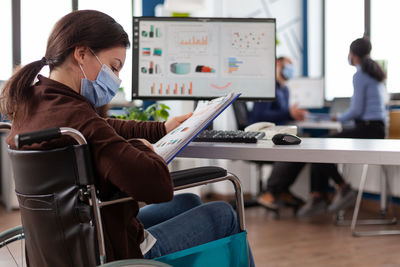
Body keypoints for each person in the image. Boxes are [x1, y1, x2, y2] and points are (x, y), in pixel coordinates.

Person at [0, 10, 255, 266]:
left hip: (71, 244)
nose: (116, 78)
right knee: (223, 214)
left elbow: (102, 127)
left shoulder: (34, 103)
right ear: (81, 54)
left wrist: (161, 129)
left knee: (189, 201)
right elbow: (156, 186)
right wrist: (141, 148)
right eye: (113, 66)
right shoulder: (77, 117)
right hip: (114, 251)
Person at [297, 37, 387, 218]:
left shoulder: (360, 74)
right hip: (375, 128)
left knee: (317, 146)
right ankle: (319, 195)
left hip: (368, 129)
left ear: (353, 55)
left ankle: (339, 190)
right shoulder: (375, 72)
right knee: (319, 145)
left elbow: (356, 110)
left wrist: (338, 117)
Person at [248, 56, 307, 212]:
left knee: (303, 151)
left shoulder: (284, 89)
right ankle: (270, 191)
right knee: (290, 152)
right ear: (278, 64)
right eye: (289, 65)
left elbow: (281, 114)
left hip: (276, 133)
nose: (291, 70)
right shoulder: (267, 87)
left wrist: (292, 114)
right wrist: (288, 112)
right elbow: (261, 115)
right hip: (260, 134)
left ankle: (281, 190)